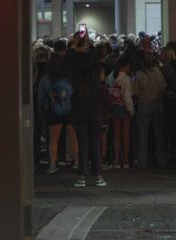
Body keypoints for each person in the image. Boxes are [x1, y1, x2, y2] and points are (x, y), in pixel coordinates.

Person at [66, 31, 107, 187]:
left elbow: (68, 65)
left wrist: (74, 47)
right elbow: (96, 61)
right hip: (95, 110)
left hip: (79, 110)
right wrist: (88, 45)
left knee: (82, 144)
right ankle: (98, 176)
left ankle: (81, 176)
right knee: (95, 143)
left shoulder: (74, 75)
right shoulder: (95, 74)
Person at [38, 52, 78, 174]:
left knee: (53, 139)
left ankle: (53, 164)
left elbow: (41, 97)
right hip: (68, 109)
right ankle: (77, 162)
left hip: (53, 111)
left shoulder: (45, 78)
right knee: (73, 137)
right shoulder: (68, 77)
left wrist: (41, 113)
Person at [134, 51, 167, 168]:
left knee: (143, 134)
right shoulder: (157, 72)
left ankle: (142, 160)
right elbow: (163, 86)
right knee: (159, 133)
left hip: (144, 104)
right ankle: (161, 158)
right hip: (157, 104)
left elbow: (136, 92)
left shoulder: (139, 74)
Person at [109, 56, 134, 168]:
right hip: (124, 107)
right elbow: (127, 96)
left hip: (114, 106)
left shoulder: (111, 76)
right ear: (126, 66)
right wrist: (131, 110)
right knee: (125, 135)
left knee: (116, 135)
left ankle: (116, 159)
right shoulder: (126, 79)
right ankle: (126, 159)